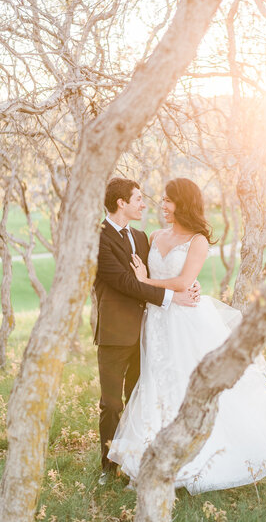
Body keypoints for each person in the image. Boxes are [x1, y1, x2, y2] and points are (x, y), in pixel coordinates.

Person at [107, 177, 266, 494]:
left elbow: (182, 282)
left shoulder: (198, 241)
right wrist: (148, 282)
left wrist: (145, 281)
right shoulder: (153, 235)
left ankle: (198, 453)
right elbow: (158, 280)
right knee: (157, 382)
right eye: (161, 200)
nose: (162, 205)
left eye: (168, 200)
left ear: (183, 203)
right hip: (156, 321)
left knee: (188, 381)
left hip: (187, 321)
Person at [94, 177, 199, 485]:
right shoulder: (97, 238)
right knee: (111, 404)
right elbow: (125, 282)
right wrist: (172, 297)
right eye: (138, 198)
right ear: (121, 203)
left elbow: (156, 275)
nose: (144, 204)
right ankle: (107, 466)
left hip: (148, 332)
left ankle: (135, 460)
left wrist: (187, 284)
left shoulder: (142, 237)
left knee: (141, 400)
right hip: (114, 333)